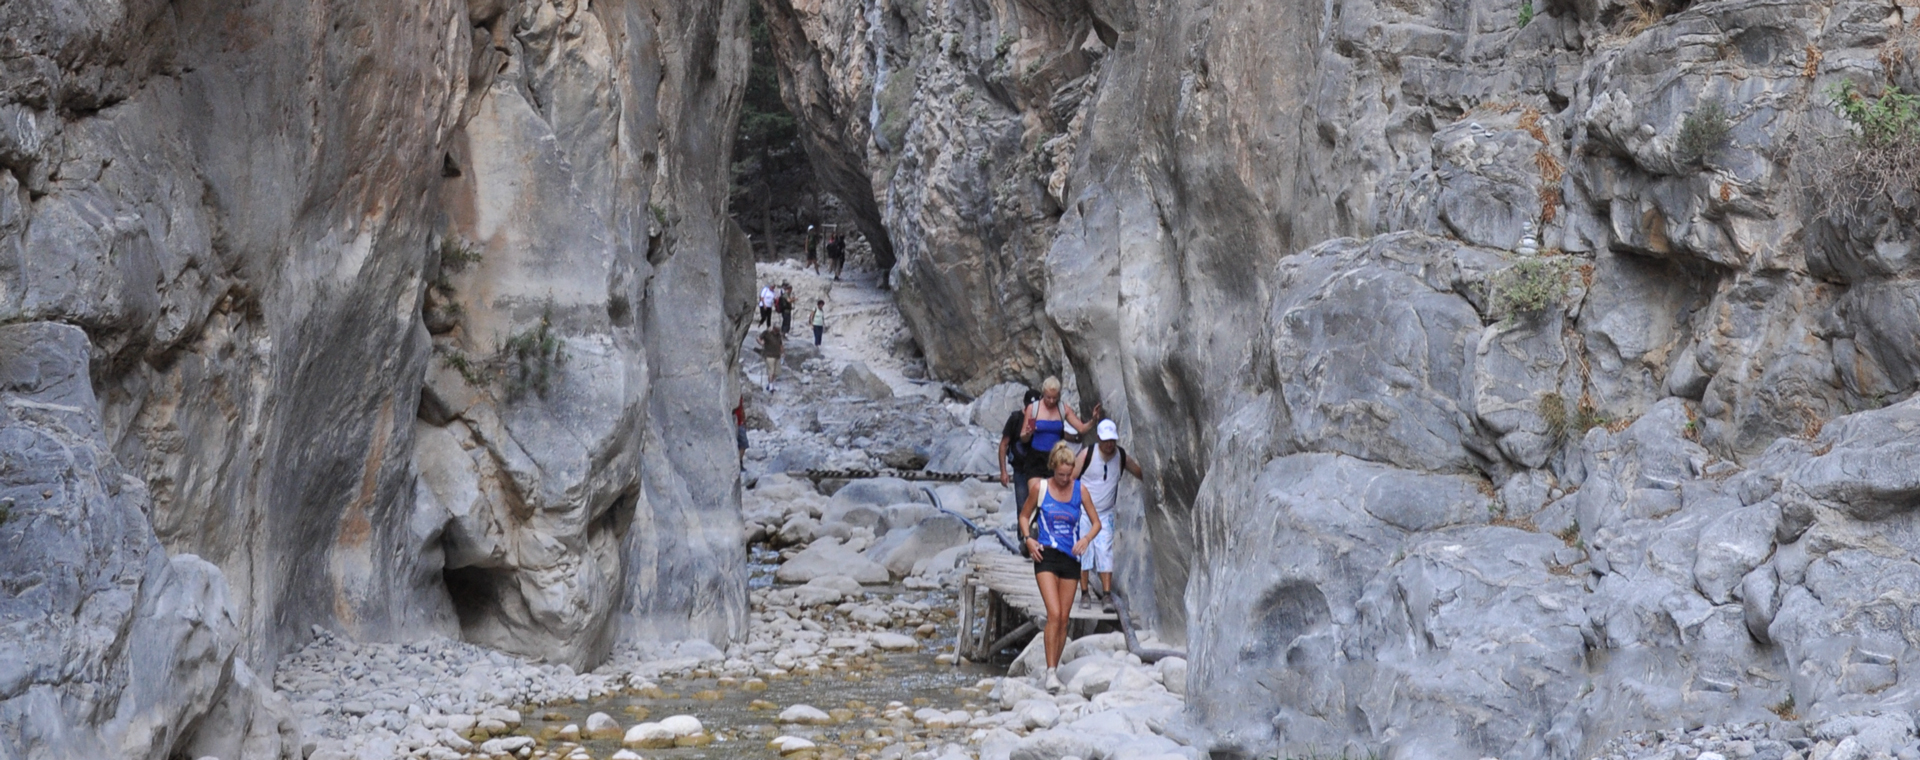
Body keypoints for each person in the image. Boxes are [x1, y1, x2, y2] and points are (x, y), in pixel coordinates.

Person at [1020, 442, 1100, 694]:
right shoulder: (1040, 488)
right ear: (1053, 469)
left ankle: (1054, 665)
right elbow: (1024, 515)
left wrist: (1086, 539)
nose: (1065, 479)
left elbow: (1096, 523)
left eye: (1069, 474)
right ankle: (1051, 672)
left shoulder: (1080, 490)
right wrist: (1028, 538)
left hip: (1071, 558)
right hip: (1045, 554)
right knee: (1053, 613)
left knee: (1064, 618)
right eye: (1061, 474)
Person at [1073, 419, 1144, 607]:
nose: (1109, 444)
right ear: (1098, 439)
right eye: (1106, 440)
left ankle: (1106, 594)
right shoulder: (1087, 455)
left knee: (1105, 551)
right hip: (1084, 511)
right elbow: (1071, 478)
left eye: (1112, 440)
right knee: (1084, 551)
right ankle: (1085, 593)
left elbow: (1139, 471)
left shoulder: (1120, 456)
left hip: (1105, 512)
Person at [1020, 376, 1098, 457]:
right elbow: (1023, 437)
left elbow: (1081, 428)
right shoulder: (1033, 408)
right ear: (1043, 394)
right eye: (1048, 397)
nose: (1051, 401)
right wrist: (1028, 434)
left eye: (1054, 398)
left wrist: (1093, 420)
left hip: (1056, 456)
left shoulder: (1063, 409)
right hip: (1036, 457)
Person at [998, 388, 1044, 512]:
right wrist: (1003, 472)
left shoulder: (1043, 419)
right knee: (1023, 507)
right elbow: (1004, 444)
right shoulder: (1015, 419)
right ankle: (1023, 531)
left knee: (1041, 506)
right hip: (1020, 469)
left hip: (1039, 469)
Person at [759, 324, 784, 392]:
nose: (777, 331)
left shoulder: (778, 335)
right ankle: (771, 387)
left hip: (777, 356)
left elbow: (780, 344)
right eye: (777, 330)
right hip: (769, 355)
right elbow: (758, 338)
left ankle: (770, 384)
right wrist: (761, 342)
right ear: (774, 328)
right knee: (771, 371)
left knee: (776, 372)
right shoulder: (767, 333)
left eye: (778, 330)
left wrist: (782, 353)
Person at [734, 399, 749, 470]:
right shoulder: (736, 395)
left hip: (738, 423)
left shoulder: (738, 395)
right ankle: (738, 463)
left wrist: (744, 420)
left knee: (742, 444)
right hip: (737, 423)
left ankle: (738, 462)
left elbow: (741, 408)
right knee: (743, 444)